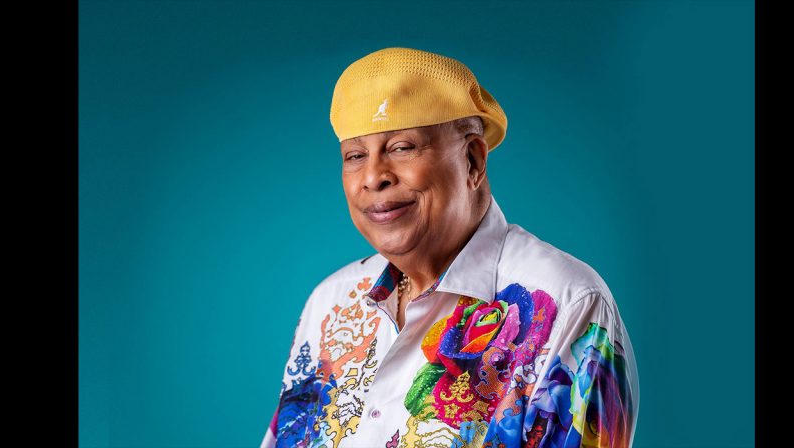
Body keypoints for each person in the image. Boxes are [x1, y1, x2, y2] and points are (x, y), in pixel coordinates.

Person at [260, 47, 639, 448]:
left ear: (473, 160)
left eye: (402, 147)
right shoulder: (330, 302)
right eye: (355, 155)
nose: (372, 177)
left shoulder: (570, 302)